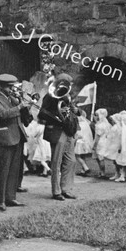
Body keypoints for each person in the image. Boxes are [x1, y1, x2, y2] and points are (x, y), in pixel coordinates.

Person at [0, 74, 32, 211]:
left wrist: (26, 107)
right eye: (10, 87)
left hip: (18, 137)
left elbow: (27, 120)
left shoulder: (14, 99)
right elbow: (2, 115)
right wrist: (19, 107)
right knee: (3, 171)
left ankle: (10, 197)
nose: (13, 89)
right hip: (5, 138)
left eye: (14, 86)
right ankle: (1, 200)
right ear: (2, 86)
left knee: (14, 170)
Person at [38, 73, 79, 201]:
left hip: (68, 131)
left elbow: (72, 112)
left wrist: (73, 109)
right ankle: (56, 191)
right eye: (68, 83)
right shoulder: (50, 97)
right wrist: (57, 117)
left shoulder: (68, 96)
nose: (69, 86)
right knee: (56, 162)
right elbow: (42, 114)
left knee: (71, 161)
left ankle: (66, 189)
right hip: (57, 131)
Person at [92, 108, 112, 178]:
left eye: (97, 115)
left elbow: (97, 136)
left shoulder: (99, 125)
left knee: (100, 158)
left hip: (100, 142)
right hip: (105, 141)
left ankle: (102, 172)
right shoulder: (107, 124)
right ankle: (101, 171)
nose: (95, 117)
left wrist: (94, 145)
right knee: (100, 158)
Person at [75, 110, 94, 176]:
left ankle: (85, 167)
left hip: (79, 141)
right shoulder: (86, 123)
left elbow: (78, 133)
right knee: (83, 155)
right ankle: (83, 170)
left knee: (76, 155)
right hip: (86, 141)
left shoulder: (79, 124)